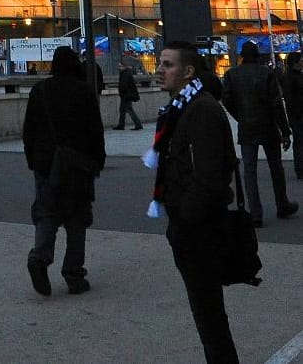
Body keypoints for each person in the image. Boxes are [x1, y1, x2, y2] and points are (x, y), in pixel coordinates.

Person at [153, 42, 239, 363]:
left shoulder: (200, 109)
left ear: (188, 72)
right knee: (207, 314)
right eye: (160, 63)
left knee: (210, 316)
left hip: (199, 230)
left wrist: (184, 222)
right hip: (191, 227)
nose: (159, 70)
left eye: (167, 65)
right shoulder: (181, 108)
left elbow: (210, 177)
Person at [22, 45, 106, 296]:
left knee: (47, 213)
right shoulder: (84, 92)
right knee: (77, 218)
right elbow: (95, 130)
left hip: (46, 165)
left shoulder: (40, 91)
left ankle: (40, 257)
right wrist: (97, 161)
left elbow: (29, 130)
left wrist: (34, 160)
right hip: (78, 163)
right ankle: (73, 274)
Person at [222, 41, 298, 227]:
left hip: (247, 128)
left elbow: (227, 100)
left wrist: (240, 116)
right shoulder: (266, 73)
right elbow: (276, 104)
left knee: (250, 172)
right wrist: (285, 131)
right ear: (257, 56)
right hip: (268, 126)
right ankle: (282, 204)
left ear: (242, 56)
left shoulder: (232, 74)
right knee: (276, 168)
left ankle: (256, 213)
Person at [281, 51, 303, 179]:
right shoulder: (291, 77)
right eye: (300, 60)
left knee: (299, 143)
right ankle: (300, 169)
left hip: (297, 114)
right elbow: (290, 100)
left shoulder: (294, 75)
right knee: (299, 142)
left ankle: (300, 168)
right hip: (298, 115)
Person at [115, 62, 144, 130]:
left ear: (124, 67)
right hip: (125, 95)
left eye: (120, 66)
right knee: (122, 110)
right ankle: (121, 125)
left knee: (129, 110)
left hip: (127, 95)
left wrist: (123, 92)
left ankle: (138, 124)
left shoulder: (126, 74)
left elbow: (124, 85)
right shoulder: (124, 73)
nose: (118, 68)